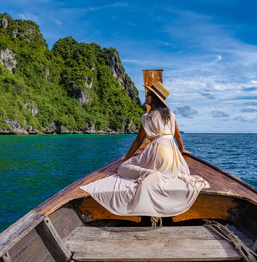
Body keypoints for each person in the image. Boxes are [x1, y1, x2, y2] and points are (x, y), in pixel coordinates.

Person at [80, 82, 210, 222]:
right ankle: (155, 174)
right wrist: (182, 150)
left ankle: (151, 174)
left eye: (148, 94)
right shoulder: (170, 115)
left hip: (156, 151)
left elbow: (138, 141)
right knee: (162, 169)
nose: (145, 96)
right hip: (171, 154)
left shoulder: (147, 117)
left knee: (124, 169)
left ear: (153, 98)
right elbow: (177, 136)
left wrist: (124, 161)